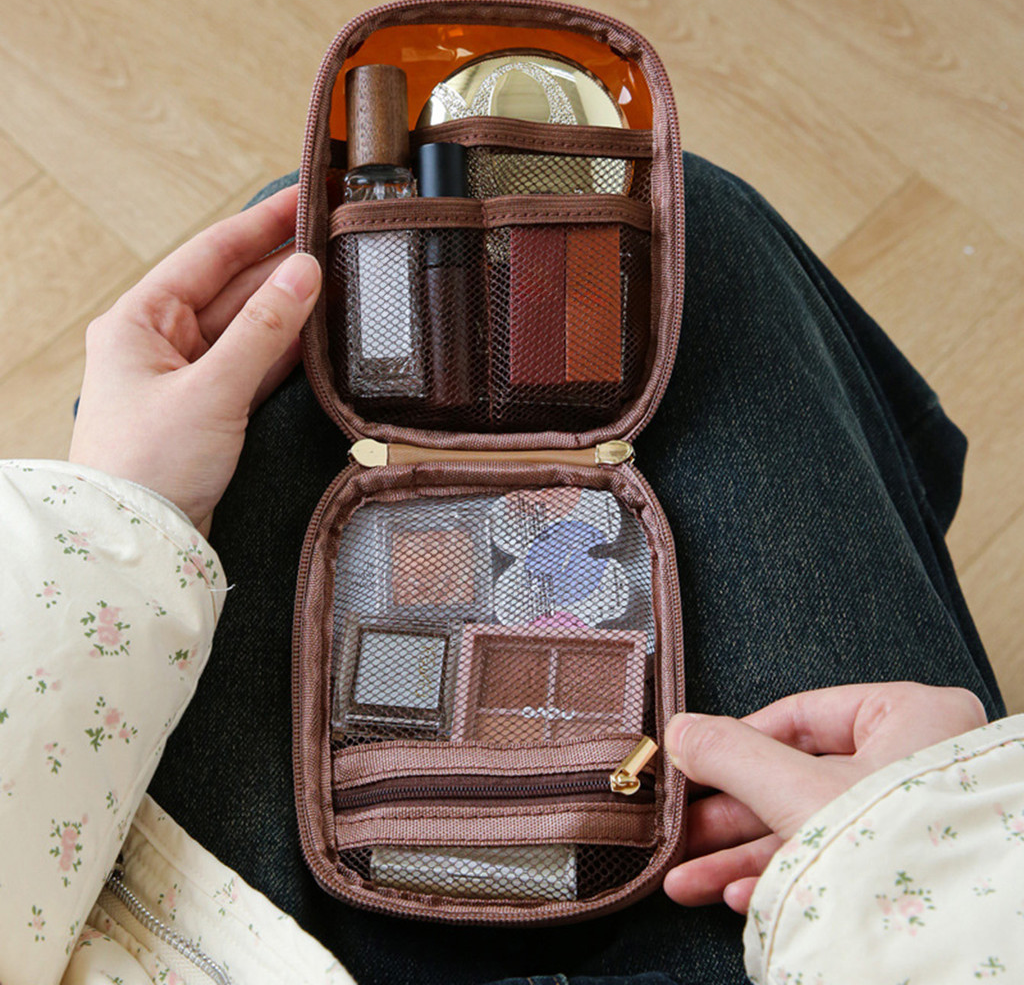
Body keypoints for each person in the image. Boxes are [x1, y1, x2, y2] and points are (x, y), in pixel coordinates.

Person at [1, 157, 1021, 985]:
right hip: (766, 920)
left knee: (302, 247)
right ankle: (919, 496)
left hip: (206, 922)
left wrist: (124, 517)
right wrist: (914, 843)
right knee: (701, 223)